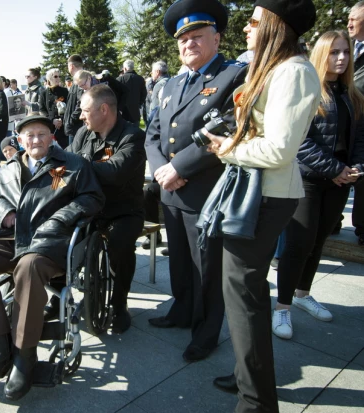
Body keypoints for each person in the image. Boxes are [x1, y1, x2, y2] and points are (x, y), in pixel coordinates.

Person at [203, 1, 320, 411]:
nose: (247, 29)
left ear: (275, 25)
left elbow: (280, 149)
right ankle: (245, 377)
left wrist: (229, 148)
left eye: (254, 22)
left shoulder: (295, 71)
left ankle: (255, 402)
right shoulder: (276, 68)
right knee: (243, 292)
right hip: (259, 193)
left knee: (244, 296)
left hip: (267, 197)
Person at [0, 115, 104, 401]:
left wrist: (59, 219)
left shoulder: (71, 165)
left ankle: (25, 357)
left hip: (49, 243)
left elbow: (92, 198)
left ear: (52, 137)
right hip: (12, 238)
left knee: (28, 266)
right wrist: (4, 212)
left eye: (42, 134)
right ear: (20, 139)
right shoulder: (9, 169)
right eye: (30, 135)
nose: (36, 139)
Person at [144, 0, 248, 363]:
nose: (189, 44)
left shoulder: (233, 76)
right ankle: (182, 310)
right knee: (180, 263)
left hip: (206, 191)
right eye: (183, 39)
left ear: (217, 39)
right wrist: (161, 170)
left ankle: (205, 331)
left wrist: (179, 168)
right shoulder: (169, 84)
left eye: (198, 36)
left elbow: (229, 127)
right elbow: (153, 133)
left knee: (207, 269)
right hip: (171, 190)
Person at [270, 30, 364, 340]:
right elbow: (299, 142)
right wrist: (336, 169)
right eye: (335, 52)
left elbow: (360, 139)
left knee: (318, 242)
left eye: (346, 52)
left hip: (338, 181)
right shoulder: (309, 92)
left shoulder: (353, 95)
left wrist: (355, 168)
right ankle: (282, 307)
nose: (341, 58)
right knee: (298, 244)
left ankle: (302, 294)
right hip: (308, 179)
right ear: (322, 54)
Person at [69, 84, 146, 333]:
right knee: (59, 236)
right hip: (90, 208)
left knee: (120, 244)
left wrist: (78, 167)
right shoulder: (83, 134)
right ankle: (58, 296)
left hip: (123, 210)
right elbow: (64, 164)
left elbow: (115, 173)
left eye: (85, 110)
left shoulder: (132, 136)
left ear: (104, 109)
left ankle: (120, 302)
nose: (80, 115)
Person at [348, 1, 364, 245]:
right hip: (346, 120)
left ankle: (362, 227)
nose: (349, 22)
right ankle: (332, 223)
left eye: (354, 18)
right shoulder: (347, 47)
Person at [39, 68, 69, 148]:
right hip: (49, 126)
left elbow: (69, 107)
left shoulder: (65, 91)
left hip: (62, 127)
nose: (58, 78)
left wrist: (61, 120)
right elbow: (42, 110)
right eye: (55, 76)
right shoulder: (44, 93)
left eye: (59, 76)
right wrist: (52, 120)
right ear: (49, 78)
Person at [117, 60, 147, 127]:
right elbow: (144, 94)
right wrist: (139, 103)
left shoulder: (119, 79)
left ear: (124, 68)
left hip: (123, 112)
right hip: (135, 112)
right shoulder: (140, 79)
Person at [64, 55, 85, 146]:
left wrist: (71, 119)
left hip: (77, 127)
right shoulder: (78, 79)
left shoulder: (80, 79)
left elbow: (81, 103)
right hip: (75, 126)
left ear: (71, 66)